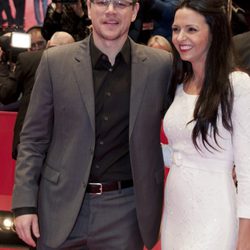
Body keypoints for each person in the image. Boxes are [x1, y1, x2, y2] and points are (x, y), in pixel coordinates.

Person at [12, 0, 172, 249]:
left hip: (126, 211)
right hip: (59, 205)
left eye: (120, 3)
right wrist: (24, 203)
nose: (110, 10)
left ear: (134, 12)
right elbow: (33, 139)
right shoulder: (55, 62)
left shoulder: (160, 66)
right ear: (88, 8)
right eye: (102, 2)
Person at [161, 0, 250, 249]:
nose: (180, 37)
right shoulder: (180, 85)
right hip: (174, 211)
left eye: (191, 29)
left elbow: (247, 170)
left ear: (214, 32)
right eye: (176, 29)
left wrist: (245, 237)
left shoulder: (237, 85)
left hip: (215, 211)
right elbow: (182, 152)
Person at [0, 31, 75, 159]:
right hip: (65, 142)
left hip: (29, 138)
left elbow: (6, 95)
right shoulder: (78, 64)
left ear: (49, 43)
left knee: (27, 177)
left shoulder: (28, 59)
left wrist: (2, 65)